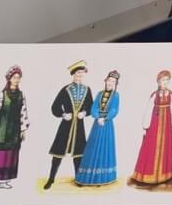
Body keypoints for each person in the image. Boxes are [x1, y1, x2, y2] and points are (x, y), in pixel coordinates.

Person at [45, 61, 92, 190]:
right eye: (77, 73)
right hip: (66, 125)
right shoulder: (66, 89)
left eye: (82, 73)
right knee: (57, 153)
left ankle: (78, 178)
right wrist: (63, 114)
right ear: (73, 74)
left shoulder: (87, 89)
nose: (79, 75)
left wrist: (85, 112)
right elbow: (55, 106)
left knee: (79, 154)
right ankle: (51, 179)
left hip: (79, 126)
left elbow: (90, 106)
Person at [77, 70, 120, 186]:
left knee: (104, 148)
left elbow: (114, 109)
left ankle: (102, 178)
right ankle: (87, 177)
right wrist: (97, 117)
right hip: (97, 124)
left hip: (107, 125)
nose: (110, 83)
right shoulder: (99, 94)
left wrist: (105, 118)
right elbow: (94, 107)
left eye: (113, 82)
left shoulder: (116, 95)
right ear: (105, 81)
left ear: (115, 84)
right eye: (109, 80)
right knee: (92, 147)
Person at [131, 71, 172, 186]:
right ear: (158, 81)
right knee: (151, 147)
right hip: (154, 124)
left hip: (167, 125)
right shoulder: (154, 95)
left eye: (167, 80)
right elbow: (148, 109)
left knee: (165, 148)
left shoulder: (171, 94)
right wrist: (145, 126)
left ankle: (163, 175)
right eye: (163, 80)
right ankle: (148, 175)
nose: (165, 82)